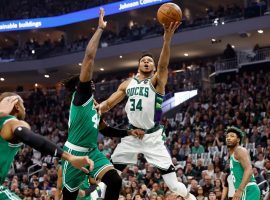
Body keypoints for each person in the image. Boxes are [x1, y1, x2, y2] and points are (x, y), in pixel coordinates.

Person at [96, 21, 196, 200]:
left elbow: (164, 65)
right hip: (132, 135)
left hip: (152, 137)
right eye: (144, 60)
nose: (147, 62)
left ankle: (190, 198)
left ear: (154, 67)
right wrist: (100, 107)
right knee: (109, 176)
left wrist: (167, 41)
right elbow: (109, 103)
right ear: (138, 66)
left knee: (173, 185)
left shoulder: (157, 81)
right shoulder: (127, 84)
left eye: (150, 61)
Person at [61, 8, 143, 200]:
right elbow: (89, 58)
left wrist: (129, 132)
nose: (92, 82)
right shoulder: (81, 98)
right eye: (88, 81)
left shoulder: (94, 106)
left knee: (114, 181)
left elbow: (105, 130)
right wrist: (99, 29)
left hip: (93, 153)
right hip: (74, 154)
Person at [0, 92, 94, 200]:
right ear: (16, 105)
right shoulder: (11, 122)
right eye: (23, 105)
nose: (25, 108)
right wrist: (69, 157)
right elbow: (29, 137)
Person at [226, 126, 261, 200]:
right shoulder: (232, 155)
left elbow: (249, 169)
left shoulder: (239, 150)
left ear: (238, 139)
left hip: (248, 189)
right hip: (244, 190)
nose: (228, 138)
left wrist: (240, 190)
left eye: (232, 136)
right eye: (227, 136)